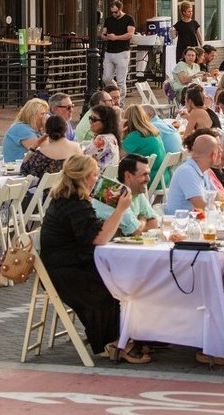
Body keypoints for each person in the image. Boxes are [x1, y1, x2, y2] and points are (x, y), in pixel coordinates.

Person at [39, 153, 138, 360]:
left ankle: (123, 336)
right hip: (65, 271)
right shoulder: (73, 203)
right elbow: (99, 238)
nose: (98, 178)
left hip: (71, 262)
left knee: (120, 279)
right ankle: (111, 342)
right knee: (112, 287)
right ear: (84, 177)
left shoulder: (72, 198)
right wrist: (119, 210)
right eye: (95, 174)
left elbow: (91, 231)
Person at [93, 153, 159, 235]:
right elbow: (136, 231)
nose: (148, 179)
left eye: (148, 174)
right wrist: (143, 219)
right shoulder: (111, 192)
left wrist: (140, 224)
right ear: (128, 176)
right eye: (144, 174)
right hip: (102, 246)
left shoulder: (136, 189)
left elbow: (155, 222)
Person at [20, 114, 81, 189]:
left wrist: (34, 147)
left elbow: (24, 171)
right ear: (65, 129)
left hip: (50, 197)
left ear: (46, 130)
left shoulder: (43, 153)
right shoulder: (77, 148)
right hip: (74, 194)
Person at [164, 131, 217, 214]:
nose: (221, 152)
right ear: (213, 155)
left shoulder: (204, 170)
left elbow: (217, 198)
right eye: (219, 150)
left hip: (196, 222)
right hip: (180, 224)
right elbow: (201, 206)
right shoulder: (187, 172)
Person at [101, 0, 136, 99]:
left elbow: (130, 34)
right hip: (109, 51)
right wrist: (106, 36)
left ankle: (120, 102)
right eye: (112, 12)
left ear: (120, 9)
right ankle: (116, 92)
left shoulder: (129, 19)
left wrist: (115, 37)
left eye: (116, 12)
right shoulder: (109, 20)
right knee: (106, 78)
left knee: (121, 80)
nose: (114, 14)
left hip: (122, 51)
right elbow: (103, 33)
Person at [2, 98, 48, 163]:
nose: (45, 117)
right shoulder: (20, 128)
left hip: (27, 168)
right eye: (42, 114)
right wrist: (47, 130)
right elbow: (44, 151)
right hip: (16, 170)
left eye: (46, 113)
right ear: (32, 115)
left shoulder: (35, 130)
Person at [82, 103, 122, 170]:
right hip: (107, 178)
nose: (91, 122)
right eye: (90, 118)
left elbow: (81, 157)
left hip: (97, 178)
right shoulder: (112, 137)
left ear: (105, 122)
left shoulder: (102, 139)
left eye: (94, 119)